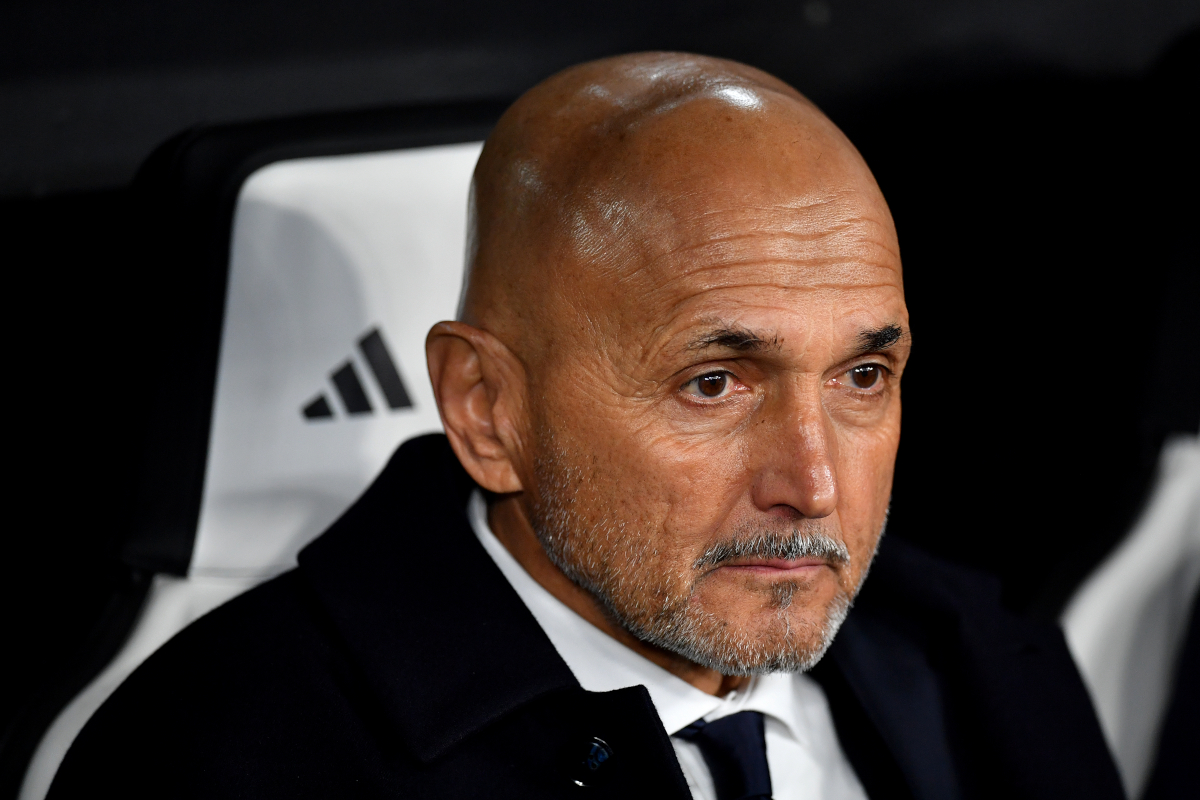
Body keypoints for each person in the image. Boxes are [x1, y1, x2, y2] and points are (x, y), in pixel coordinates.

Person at [47, 53, 1124, 800]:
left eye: (862, 373)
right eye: (714, 382)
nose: (814, 483)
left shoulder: (983, 664)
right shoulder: (229, 759)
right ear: (487, 408)